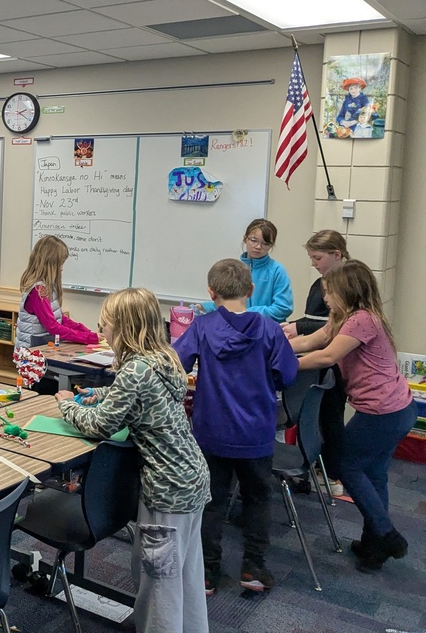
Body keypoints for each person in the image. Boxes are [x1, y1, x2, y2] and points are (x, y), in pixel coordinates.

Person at [56, 288, 209, 633]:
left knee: (160, 582)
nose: (102, 331)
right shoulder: (162, 359)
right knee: (186, 572)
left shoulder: (135, 370)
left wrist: (67, 404)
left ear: (125, 328)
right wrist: (98, 393)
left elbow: (100, 425)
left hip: (167, 489)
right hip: (192, 477)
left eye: (106, 324)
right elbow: (138, 394)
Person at [173, 259, 298, 595]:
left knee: (211, 501)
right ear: (251, 290)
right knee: (257, 498)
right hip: (256, 434)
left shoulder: (201, 327)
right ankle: (253, 569)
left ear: (210, 292)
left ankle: (207, 573)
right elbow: (287, 374)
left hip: (212, 432)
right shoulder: (270, 329)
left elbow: (176, 364)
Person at [286, 261, 416, 573]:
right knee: (374, 474)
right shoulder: (342, 318)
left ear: (345, 292)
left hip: (385, 412)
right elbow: (311, 342)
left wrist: (283, 365)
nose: (325, 297)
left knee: (347, 465)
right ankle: (374, 546)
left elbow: (328, 355)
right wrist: (274, 350)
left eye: (329, 292)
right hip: (395, 409)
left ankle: (385, 534)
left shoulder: (361, 320)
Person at [281, 229, 350, 494]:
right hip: (322, 361)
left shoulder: (344, 285)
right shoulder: (320, 284)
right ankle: (319, 470)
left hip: (334, 365)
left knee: (330, 419)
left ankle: (334, 476)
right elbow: (318, 332)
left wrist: (291, 353)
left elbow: (326, 337)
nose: (313, 263)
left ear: (337, 254)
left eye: (317, 257)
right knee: (316, 418)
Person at [197, 218, 292, 322]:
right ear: (245, 238)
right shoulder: (235, 268)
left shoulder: (277, 271)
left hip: (266, 330)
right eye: (254, 241)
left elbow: (283, 308)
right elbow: (228, 301)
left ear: (272, 245)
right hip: (237, 327)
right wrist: (205, 307)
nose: (258, 247)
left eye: (265, 243)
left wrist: (246, 313)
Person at [15, 235, 99, 349]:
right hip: (32, 352)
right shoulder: (38, 291)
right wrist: (88, 338)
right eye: (61, 263)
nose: (62, 268)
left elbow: (59, 318)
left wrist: (88, 333)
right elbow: (53, 326)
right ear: (50, 263)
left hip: (42, 346)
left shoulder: (48, 286)